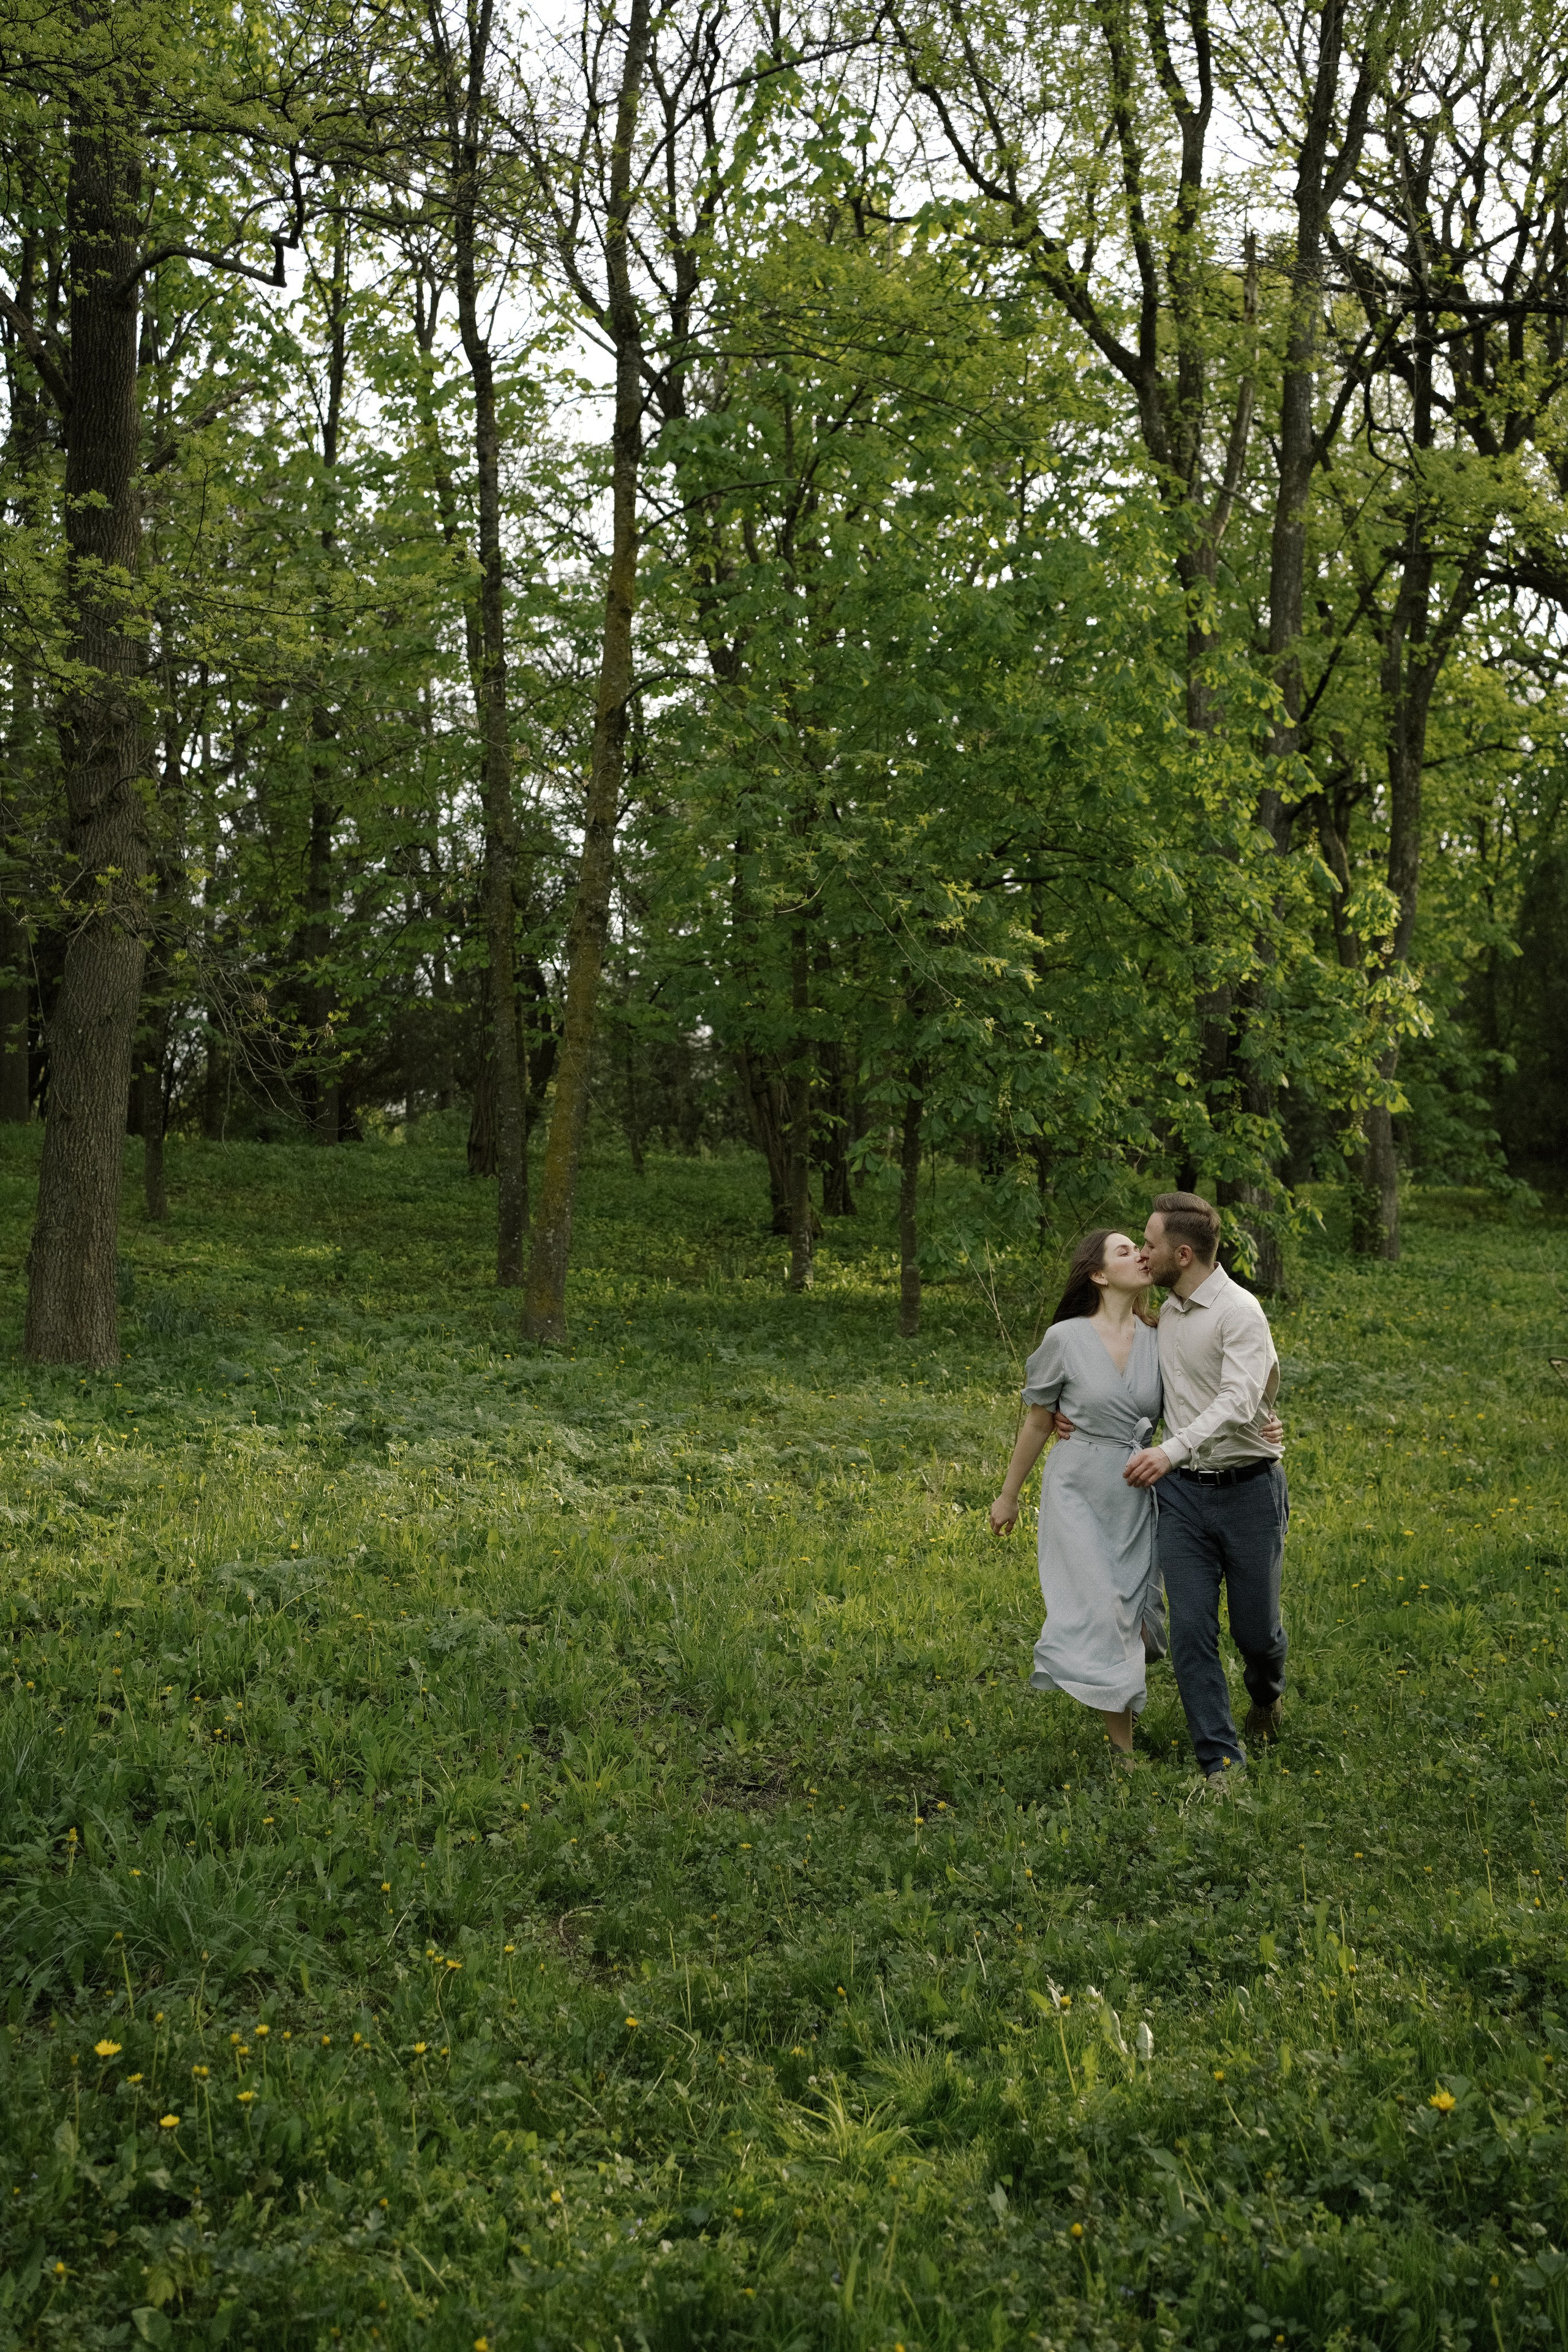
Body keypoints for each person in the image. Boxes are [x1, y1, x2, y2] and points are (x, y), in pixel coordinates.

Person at [1121, 1191, 1287, 1789]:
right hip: (1183, 1498)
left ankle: (1266, 1694)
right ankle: (1221, 1763)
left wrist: (1172, 1447)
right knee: (1191, 1630)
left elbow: (1243, 1393)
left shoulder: (1239, 1311)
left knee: (1256, 1634)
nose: (1143, 1252)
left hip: (1248, 1493)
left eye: (1149, 1243)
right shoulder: (1164, 1311)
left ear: (1182, 1253)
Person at [987, 1230, 1166, 1766]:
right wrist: (1008, 1496)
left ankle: (1120, 1695)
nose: (1139, 1254)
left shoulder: (1163, 1334)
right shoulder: (1065, 1338)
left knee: (1139, 1619)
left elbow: (1202, 1393)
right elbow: (1040, 1421)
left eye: (1140, 1246)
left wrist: (1262, 1421)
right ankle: (1123, 1753)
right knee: (1106, 1607)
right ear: (1098, 1274)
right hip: (1077, 1490)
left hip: (1138, 1491)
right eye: (1124, 1250)